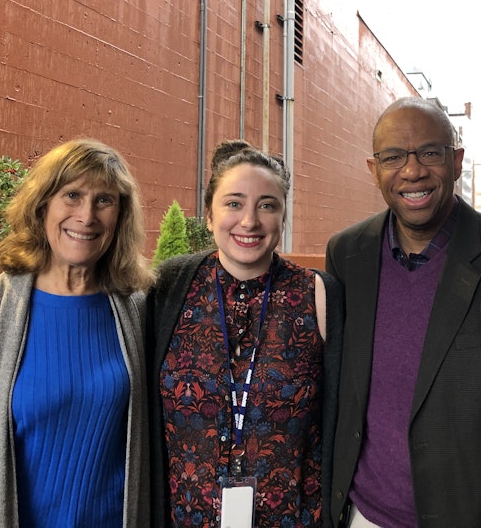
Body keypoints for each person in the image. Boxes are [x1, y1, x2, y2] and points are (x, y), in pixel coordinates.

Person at [325, 97, 481, 527]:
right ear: (374, 170)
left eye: (429, 152)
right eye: (393, 157)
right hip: (360, 516)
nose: (412, 170)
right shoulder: (347, 254)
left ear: (457, 161)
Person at [0, 138, 154, 527]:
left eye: (104, 200)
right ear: (42, 205)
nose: (86, 216)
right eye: (72, 195)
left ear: (120, 216)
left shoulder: (140, 311)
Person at [147, 139, 343, 527]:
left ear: (283, 217)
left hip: (295, 518)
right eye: (233, 203)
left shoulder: (319, 294)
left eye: (267, 205)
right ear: (208, 214)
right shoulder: (170, 287)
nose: (249, 221)